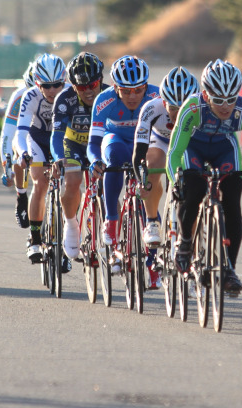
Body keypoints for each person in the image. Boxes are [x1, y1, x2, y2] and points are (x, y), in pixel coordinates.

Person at [166, 59, 242, 295]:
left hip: (224, 149)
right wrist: (176, 181)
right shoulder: (191, 108)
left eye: (231, 99)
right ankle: (186, 241)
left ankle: (229, 268)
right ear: (205, 94)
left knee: (232, 202)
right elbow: (174, 152)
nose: (225, 106)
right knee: (194, 191)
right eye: (218, 100)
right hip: (194, 149)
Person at [87, 55, 160, 273]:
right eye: (126, 90)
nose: (133, 96)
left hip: (145, 143)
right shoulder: (104, 100)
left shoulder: (156, 96)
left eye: (138, 90)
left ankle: (153, 260)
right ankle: (111, 220)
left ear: (146, 87)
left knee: (150, 188)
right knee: (115, 157)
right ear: (115, 88)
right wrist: (95, 161)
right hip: (116, 140)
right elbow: (93, 143)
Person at [132, 66, 199, 289]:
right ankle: (151, 221)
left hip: (186, 145)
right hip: (160, 142)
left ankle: (191, 256)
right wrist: (142, 176)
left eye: (183, 108)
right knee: (152, 165)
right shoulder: (151, 108)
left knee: (192, 195)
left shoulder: (199, 109)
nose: (178, 114)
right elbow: (139, 150)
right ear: (163, 101)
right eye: (172, 108)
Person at [50, 52, 108, 261]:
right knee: (73, 180)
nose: (89, 91)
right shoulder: (64, 100)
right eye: (82, 88)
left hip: (100, 145)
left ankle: (113, 233)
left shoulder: (110, 95)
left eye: (93, 85)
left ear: (100, 80)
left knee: (108, 186)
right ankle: (72, 225)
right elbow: (56, 136)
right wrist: (58, 158)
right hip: (72, 143)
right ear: (73, 86)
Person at [15, 53, 66, 263]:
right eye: (47, 86)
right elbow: (20, 132)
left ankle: (66, 243)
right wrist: (23, 152)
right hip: (37, 138)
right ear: (38, 83)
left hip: (62, 139)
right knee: (40, 182)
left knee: (69, 187)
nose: (53, 90)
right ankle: (35, 239)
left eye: (57, 84)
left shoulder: (70, 94)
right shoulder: (30, 96)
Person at [0, 61, 36, 229]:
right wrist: (7, 166)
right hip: (26, 134)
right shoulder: (19, 96)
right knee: (18, 148)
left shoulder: (59, 91)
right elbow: (7, 133)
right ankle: (21, 196)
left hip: (50, 132)